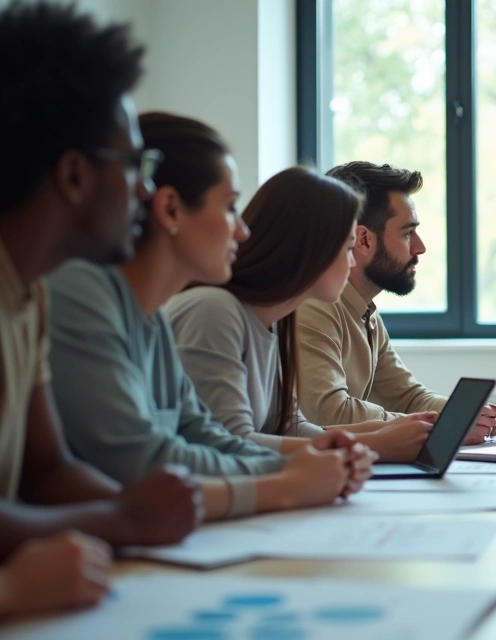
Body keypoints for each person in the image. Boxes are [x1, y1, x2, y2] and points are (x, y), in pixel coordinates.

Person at [47, 112, 375, 521]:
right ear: (169, 209)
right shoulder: (83, 293)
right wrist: (287, 480)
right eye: (230, 207)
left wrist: (305, 467)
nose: (242, 231)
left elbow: (205, 434)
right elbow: (145, 460)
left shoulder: (151, 320)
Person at [0, 0, 200, 585]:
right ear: (74, 176)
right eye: (136, 164)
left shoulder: (29, 294)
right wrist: (122, 517)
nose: (144, 191)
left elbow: (48, 468)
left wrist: (140, 510)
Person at [166, 166, 435, 462]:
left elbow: (289, 427)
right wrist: (374, 445)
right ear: (310, 249)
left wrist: (379, 434)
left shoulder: (274, 322)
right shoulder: (215, 310)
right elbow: (229, 444)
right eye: (347, 248)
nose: (350, 263)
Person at [297, 162, 496, 442]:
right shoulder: (313, 307)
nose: (420, 247)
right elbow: (330, 414)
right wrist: (441, 426)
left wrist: (465, 414)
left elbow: (407, 397)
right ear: (364, 240)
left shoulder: (365, 311)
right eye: (408, 233)